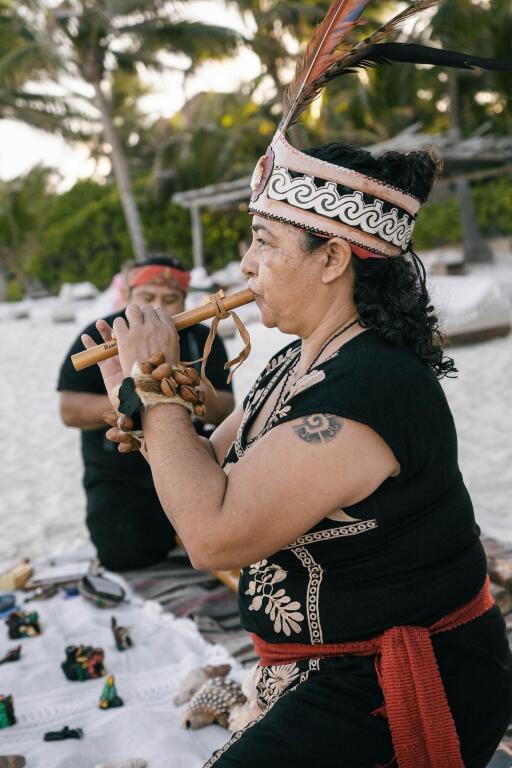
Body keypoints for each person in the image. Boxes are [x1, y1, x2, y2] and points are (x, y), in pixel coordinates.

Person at [81, 4, 512, 765]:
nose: (245, 268)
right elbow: (197, 482)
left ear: (334, 258)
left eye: (264, 242)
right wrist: (139, 395)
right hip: (327, 667)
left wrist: (152, 389)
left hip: (403, 680)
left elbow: (212, 530)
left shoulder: (370, 389)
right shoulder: (296, 362)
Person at [57, 255, 235, 571]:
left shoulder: (202, 335)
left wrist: (182, 387)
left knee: (216, 551)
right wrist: (133, 396)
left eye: (169, 299)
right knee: (126, 557)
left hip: (194, 463)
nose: (157, 307)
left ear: (183, 299)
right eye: (146, 298)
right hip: (119, 474)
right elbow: (69, 410)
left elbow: (227, 408)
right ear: (128, 296)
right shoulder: (102, 335)